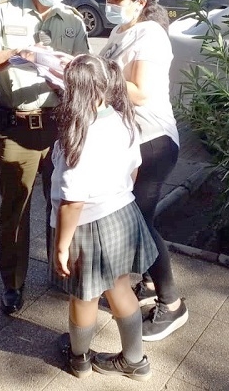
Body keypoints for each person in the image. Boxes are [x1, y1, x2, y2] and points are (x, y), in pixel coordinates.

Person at [0, 0, 90, 315]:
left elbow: (85, 71)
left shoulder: (72, 19)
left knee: (63, 205)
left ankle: (62, 273)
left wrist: (69, 75)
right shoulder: (3, 13)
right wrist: (19, 53)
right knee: (15, 211)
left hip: (60, 126)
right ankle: (14, 283)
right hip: (17, 128)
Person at [52, 54, 156, 382]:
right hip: (122, 213)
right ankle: (134, 360)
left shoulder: (78, 134)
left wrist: (61, 245)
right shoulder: (123, 118)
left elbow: (73, 200)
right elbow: (135, 167)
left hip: (88, 224)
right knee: (120, 287)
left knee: (85, 296)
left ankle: (79, 358)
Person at [98, 0, 187, 342]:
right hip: (130, 141)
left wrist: (90, 81)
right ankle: (149, 285)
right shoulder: (122, 29)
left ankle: (172, 304)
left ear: (138, 1)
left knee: (141, 226)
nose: (108, 3)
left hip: (152, 142)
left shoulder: (150, 35)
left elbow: (140, 92)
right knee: (140, 220)